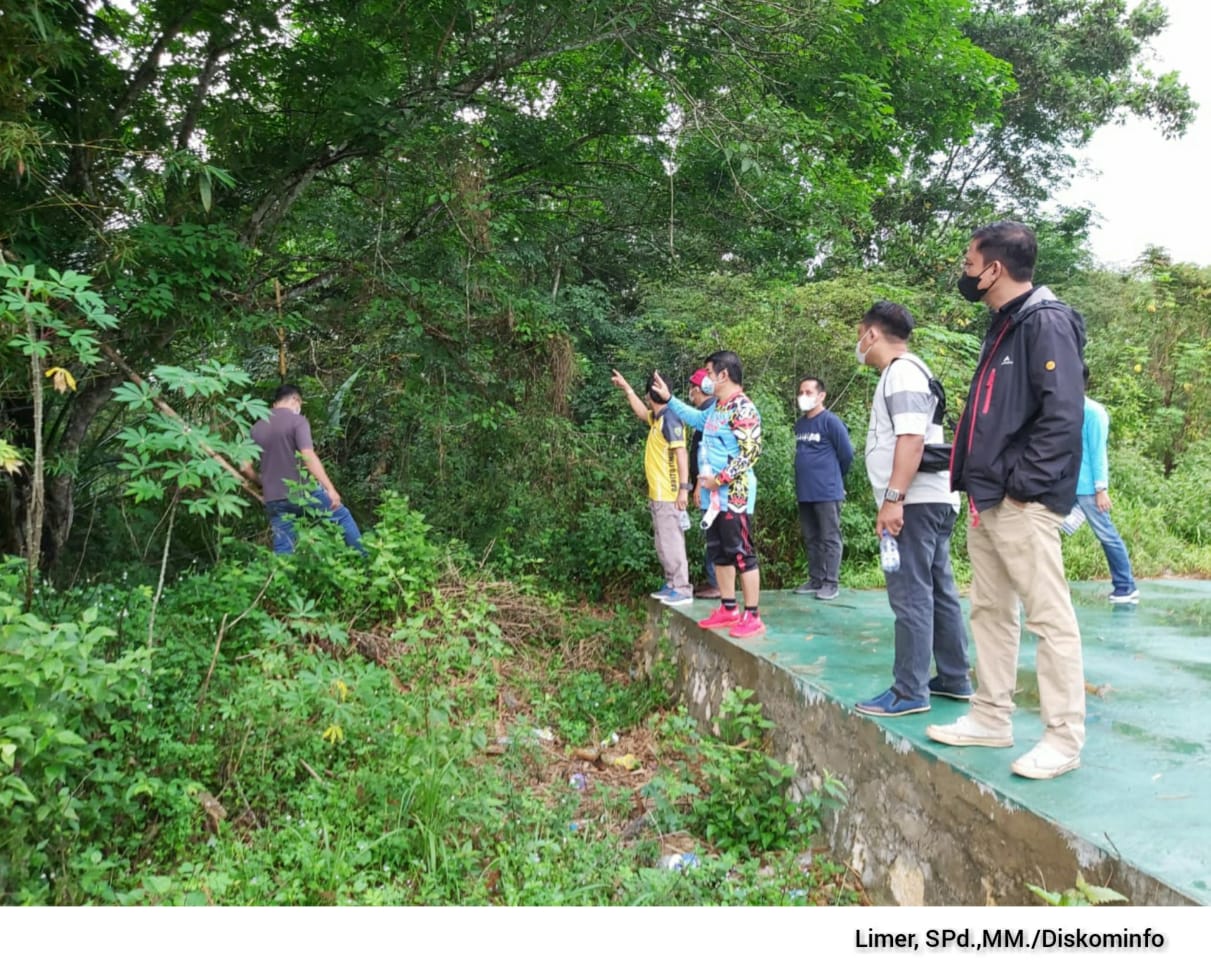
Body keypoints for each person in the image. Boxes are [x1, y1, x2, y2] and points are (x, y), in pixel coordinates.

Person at [926, 221, 1087, 781]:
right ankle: (991, 715)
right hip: (988, 497)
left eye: (970, 264)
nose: (965, 273)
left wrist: (1022, 486)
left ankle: (1063, 739)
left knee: (1049, 619)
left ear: (994, 269)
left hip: (1021, 502)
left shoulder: (1046, 322)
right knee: (990, 611)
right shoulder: (1005, 324)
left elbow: (1064, 416)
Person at [851, 302, 971, 719]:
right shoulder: (910, 370)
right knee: (939, 588)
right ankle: (954, 677)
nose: (858, 343)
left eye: (859, 333)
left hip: (915, 502)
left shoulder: (901, 372)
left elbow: (911, 440)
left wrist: (893, 499)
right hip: (934, 498)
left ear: (872, 334)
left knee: (911, 594)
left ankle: (909, 691)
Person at [651, 352, 765, 639]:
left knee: (742, 555)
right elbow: (695, 419)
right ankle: (728, 607)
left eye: (709, 373)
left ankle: (753, 614)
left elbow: (750, 453)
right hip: (713, 498)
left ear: (723, 375)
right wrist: (669, 399)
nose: (705, 379)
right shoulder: (717, 409)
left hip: (734, 497)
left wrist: (720, 479)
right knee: (719, 553)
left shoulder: (743, 408)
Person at [242, 384, 365, 555]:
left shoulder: (256, 428)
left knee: (284, 546)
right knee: (341, 516)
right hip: (303, 492)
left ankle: (283, 580)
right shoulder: (297, 421)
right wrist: (330, 489)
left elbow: (245, 467)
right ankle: (364, 560)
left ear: (274, 404)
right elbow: (308, 456)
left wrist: (262, 483)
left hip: (274, 498)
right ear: (295, 400)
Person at [610, 369, 693, 605]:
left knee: (671, 540)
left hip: (670, 493)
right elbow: (640, 413)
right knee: (663, 541)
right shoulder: (657, 418)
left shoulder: (671, 418)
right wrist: (627, 388)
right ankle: (671, 583)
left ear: (651, 395)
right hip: (658, 493)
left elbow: (681, 454)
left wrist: (683, 489)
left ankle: (682, 587)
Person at [1076, 368, 1139, 604]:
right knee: (1046, 529)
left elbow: (1098, 451)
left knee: (1107, 535)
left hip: (1089, 489)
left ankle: (1126, 586)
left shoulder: (1093, 413)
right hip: (1067, 486)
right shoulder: (1067, 411)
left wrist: (1101, 488)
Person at [792, 376, 853, 601]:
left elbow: (846, 454)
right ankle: (815, 579)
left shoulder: (831, 422)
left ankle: (831, 582)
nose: (803, 396)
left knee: (829, 537)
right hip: (805, 491)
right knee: (811, 537)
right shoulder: (801, 424)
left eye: (808, 392)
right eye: (801, 392)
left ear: (821, 396)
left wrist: (835, 479)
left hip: (827, 491)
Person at [687, 368, 720, 599]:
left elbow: (706, 454)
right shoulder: (707, 412)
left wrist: (698, 485)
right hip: (706, 484)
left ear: (699, 390)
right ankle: (714, 582)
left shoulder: (709, 414)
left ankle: (717, 584)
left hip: (710, 487)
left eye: (692, 389)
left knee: (714, 535)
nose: (691, 393)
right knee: (712, 535)